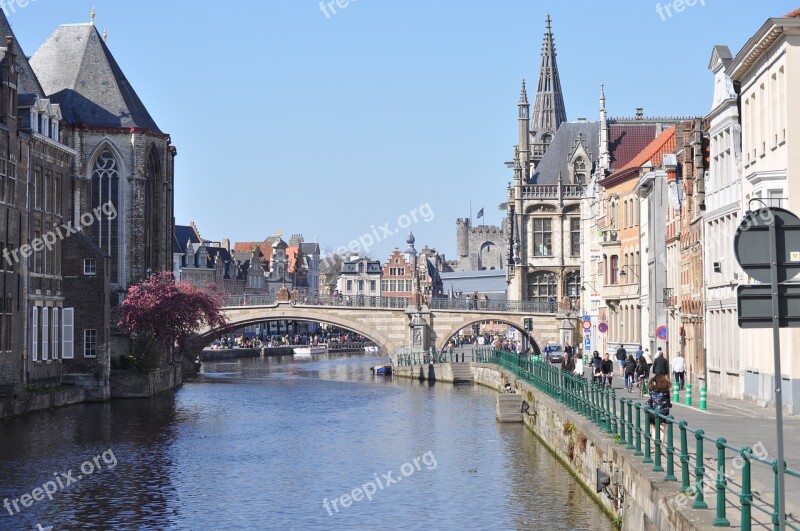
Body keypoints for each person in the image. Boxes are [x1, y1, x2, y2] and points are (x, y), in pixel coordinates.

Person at [647, 374, 673, 441]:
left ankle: (655, 447)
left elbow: (651, 398)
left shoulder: (651, 389)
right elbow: (668, 400)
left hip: (653, 411)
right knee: (662, 429)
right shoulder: (666, 390)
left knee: (654, 428)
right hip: (663, 412)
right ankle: (660, 448)